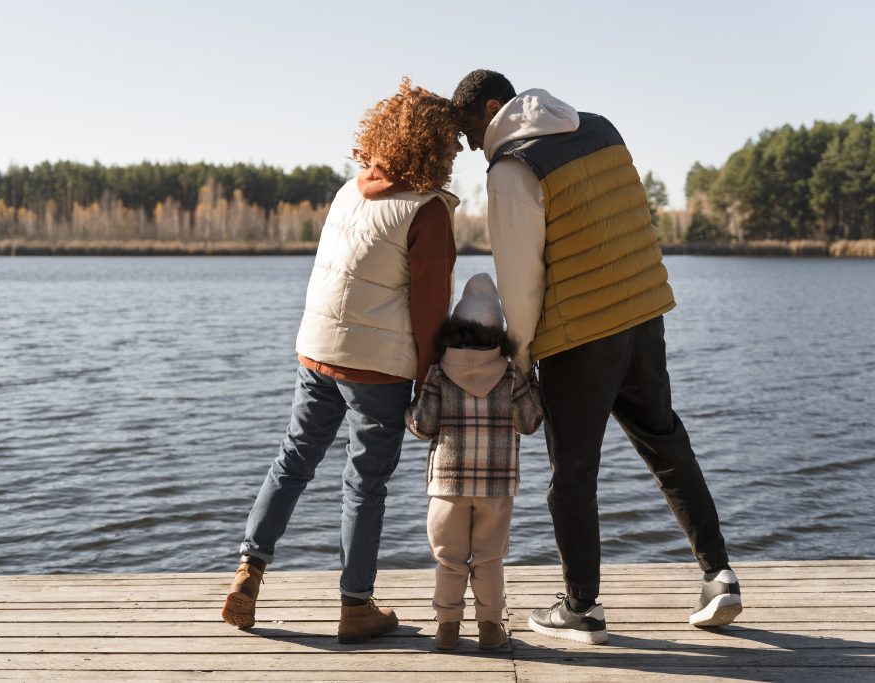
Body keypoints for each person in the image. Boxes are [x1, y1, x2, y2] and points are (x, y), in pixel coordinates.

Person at [450, 69, 742, 645]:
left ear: (491, 107)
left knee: (572, 477)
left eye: (468, 129)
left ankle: (582, 608)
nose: (467, 144)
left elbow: (519, 275)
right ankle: (719, 576)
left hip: (579, 336)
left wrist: (522, 355)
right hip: (642, 314)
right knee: (666, 441)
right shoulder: (602, 130)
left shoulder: (512, 166)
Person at [221, 78, 462, 645]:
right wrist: (432, 380)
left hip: (318, 350)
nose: (455, 152)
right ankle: (356, 607)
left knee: (294, 458)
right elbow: (431, 314)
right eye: (450, 142)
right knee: (366, 482)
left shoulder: (347, 191)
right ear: (430, 146)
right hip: (378, 366)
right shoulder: (426, 211)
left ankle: (249, 571)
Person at [406, 273, 542, 652]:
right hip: (496, 489)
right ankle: (489, 627)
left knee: (449, 561)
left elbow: (423, 425)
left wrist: (408, 411)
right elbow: (530, 422)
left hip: (447, 489)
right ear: (498, 334)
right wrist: (534, 386)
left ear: (454, 329)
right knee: (489, 559)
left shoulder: (438, 372)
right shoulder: (511, 374)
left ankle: (447, 628)